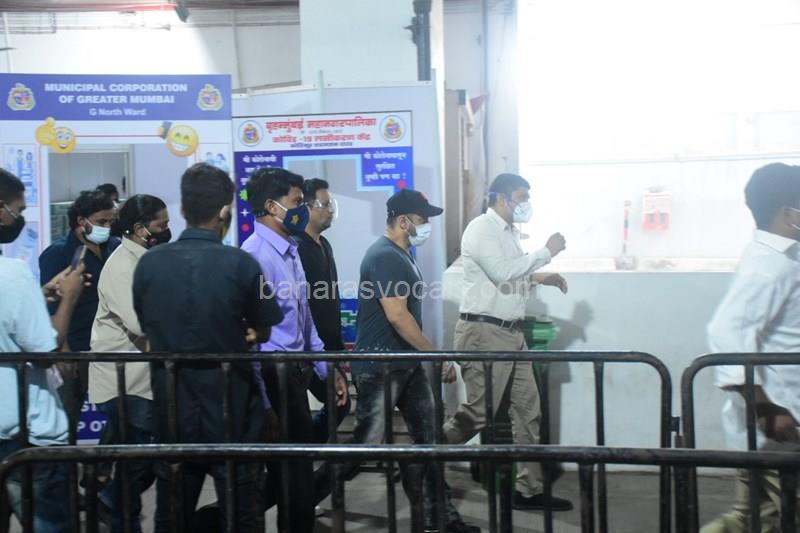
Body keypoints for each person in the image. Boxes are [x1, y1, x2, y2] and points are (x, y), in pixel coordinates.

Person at [133, 163, 283, 533]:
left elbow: (148, 324)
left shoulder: (148, 265)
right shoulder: (242, 264)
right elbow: (264, 328)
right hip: (233, 410)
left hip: (172, 409)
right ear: (225, 211)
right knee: (242, 515)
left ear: (183, 209)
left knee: (172, 514)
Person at [351, 188, 480, 533]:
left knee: (429, 442)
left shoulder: (402, 255)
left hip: (404, 364)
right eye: (422, 220)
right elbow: (397, 316)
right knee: (361, 450)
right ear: (403, 221)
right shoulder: (385, 256)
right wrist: (436, 356)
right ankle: (303, 500)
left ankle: (441, 518)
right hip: (380, 367)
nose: (427, 226)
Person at [443, 173, 573, 512]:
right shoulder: (481, 229)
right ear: (500, 198)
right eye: (521, 196)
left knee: (529, 411)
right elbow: (501, 272)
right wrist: (546, 253)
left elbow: (509, 278)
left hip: (511, 334)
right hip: (484, 333)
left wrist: (539, 278)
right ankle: (420, 457)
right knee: (479, 414)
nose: (526, 203)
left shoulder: (510, 234)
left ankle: (528, 490)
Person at [241, 167, 345, 532]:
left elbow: (305, 319)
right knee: (286, 475)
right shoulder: (254, 257)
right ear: (272, 206)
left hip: (297, 372)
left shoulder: (291, 250)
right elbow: (251, 338)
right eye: (297, 202)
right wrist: (264, 402)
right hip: (273, 375)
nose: (303, 209)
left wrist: (325, 367)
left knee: (297, 475)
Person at [702, 163, 800, 533]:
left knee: (754, 518)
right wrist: (766, 409)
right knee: (765, 518)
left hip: (778, 425)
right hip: (780, 428)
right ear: (789, 215)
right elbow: (726, 332)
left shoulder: (785, 258)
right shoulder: (768, 265)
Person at [0, 168, 87, 533]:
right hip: (26, 435)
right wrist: (69, 298)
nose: (19, 220)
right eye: (18, 211)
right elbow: (46, 350)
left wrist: (39, 296)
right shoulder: (12, 274)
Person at [89, 194, 171, 533]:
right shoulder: (122, 265)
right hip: (125, 382)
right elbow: (140, 323)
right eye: (162, 225)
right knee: (141, 462)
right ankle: (112, 504)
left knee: (143, 461)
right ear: (140, 228)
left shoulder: (146, 260)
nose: (167, 230)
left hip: (142, 380)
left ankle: (112, 502)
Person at [39, 189, 120, 434]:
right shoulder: (58, 253)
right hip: (75, 347)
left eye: (111, 222)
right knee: (67, 418)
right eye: (101, 222)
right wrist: (64, 353)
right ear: (81, 221)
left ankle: (106, 459)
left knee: (121, 418)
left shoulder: (115, 248)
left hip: (111, 348)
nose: (107, 227)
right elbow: (52, 306)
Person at [295, 178, 351, 443]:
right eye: (324, 204)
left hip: (328, 346)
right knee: (338, 401)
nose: (330, 210)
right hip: (308, 349)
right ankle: (306, 451)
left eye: (331, 205)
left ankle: (306, 450)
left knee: (339, 402)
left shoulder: (324, 245)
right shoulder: (297, 248)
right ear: (306, 207)